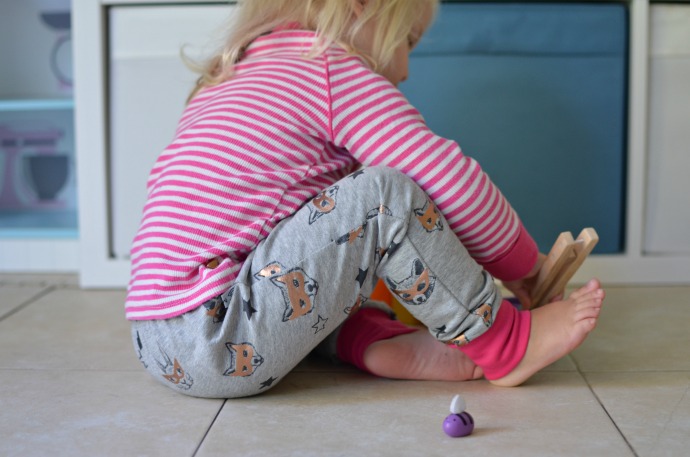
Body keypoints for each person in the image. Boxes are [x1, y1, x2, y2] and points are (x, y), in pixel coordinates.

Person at [127, 0, 605, 398]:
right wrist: (523, 264)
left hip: (160, 343)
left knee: (320, 236)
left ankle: (367, 340)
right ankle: (504, 345)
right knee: (384, 195)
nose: (406, 69)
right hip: (221, 332)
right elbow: (447, 177)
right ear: (361, 7)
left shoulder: (231, 77)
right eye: (408, 41)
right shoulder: (325, 67)